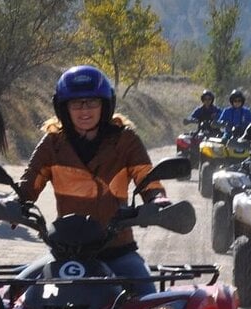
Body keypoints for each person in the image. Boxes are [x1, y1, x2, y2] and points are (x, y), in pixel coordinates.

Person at [15, 65, 169, 296]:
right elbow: (27, 186)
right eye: (76, 103)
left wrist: (157, 200)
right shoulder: (53, 143)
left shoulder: (125, 140)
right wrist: (11, 203)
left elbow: (147, 180)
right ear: (64, 108)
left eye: (92, 102)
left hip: (117, 251)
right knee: (12, 296)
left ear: (105, 105)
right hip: (65, 252)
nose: (84, 110)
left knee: (150, 303)